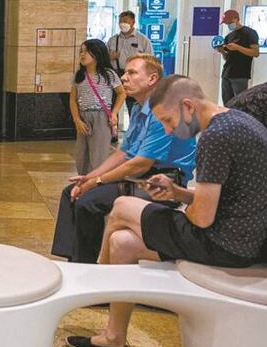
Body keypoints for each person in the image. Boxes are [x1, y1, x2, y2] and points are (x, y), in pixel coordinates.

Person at [67, 76, 267, 347]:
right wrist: (179, 193)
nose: (168, 129)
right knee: (122, 242)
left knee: (121, 206)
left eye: (168, 120)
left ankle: (96, 286)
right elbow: (228, 198)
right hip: (238, 238)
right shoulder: (236, 122)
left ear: (187, 106)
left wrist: (179, 212)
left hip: (223, 243)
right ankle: (113, 340)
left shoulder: (216, 137)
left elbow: (202, 220)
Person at [52, 55, 196, 263]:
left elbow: (141, 163)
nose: (124, 77)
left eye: (132, 73)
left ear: (152, 79)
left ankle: (85, 264)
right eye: (125, 72)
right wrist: (88, 177)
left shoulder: (163, 111)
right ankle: (72, 259)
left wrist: (98, 182)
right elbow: (124, 153)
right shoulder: (139, 109)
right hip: (140, 174)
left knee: (88, 201)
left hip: (162, 180)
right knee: (71, 192)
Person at [70, 39, 126, 174]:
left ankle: (96, 182)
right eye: (81, 52)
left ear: (98, 54)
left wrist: (114, 113)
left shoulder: (109, 74)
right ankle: (83, 180)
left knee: (98, 154)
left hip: (102, 117)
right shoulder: (79, 76)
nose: (82, 55)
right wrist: (77, 120)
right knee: (82, 155)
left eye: (86, 52)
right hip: (83, 117)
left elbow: (121, 93)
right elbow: (72, 100)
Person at [217, 9, 260, 104]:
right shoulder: (229, 36)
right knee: (227, 103)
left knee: (240, 103)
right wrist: (222, 52)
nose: (228, 25)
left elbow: (255, 53)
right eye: (226, 23)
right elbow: (227, 58)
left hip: (240, 75)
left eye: (229, 22)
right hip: (226, 74)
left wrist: (237, 47)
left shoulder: (250, 33)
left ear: (236, 19)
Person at [106, 11, 154, 75]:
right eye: (120, 21)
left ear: (133, 22)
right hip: (115, 74)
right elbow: (103, 59)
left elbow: (151, 61)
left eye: (125, 21)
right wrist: (110, 57)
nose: (122, 24)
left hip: (135, 74)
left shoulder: (143, 40)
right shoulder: (112, 40)